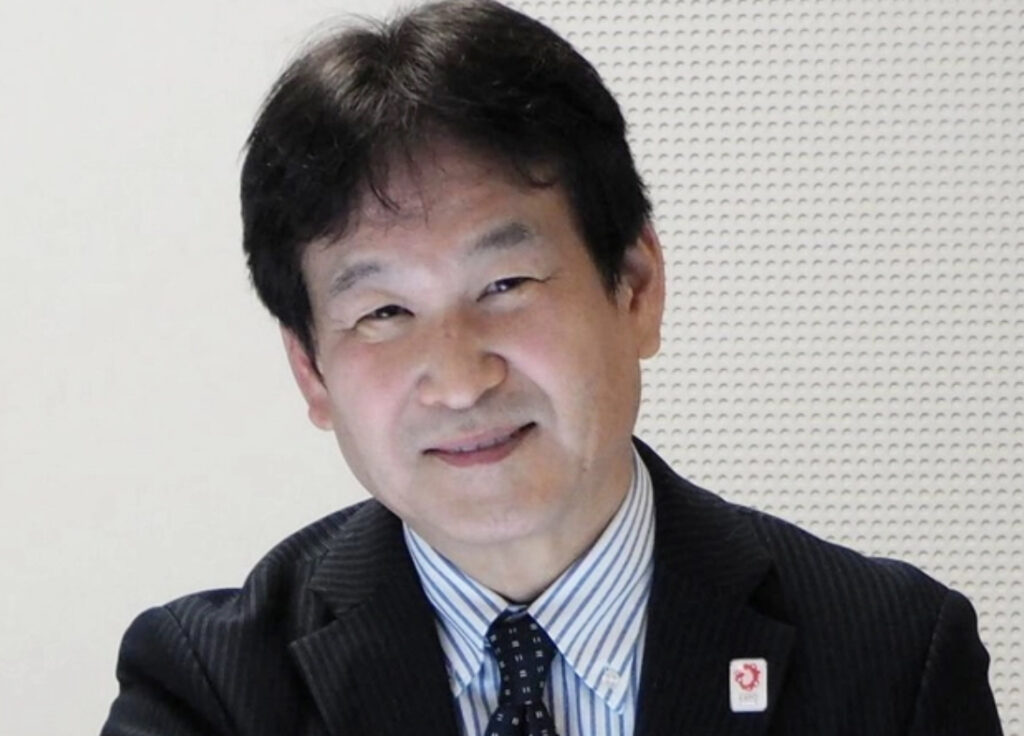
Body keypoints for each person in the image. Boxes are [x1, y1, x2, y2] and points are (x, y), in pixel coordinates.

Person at [101, 1, 1003, 734]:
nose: (459, 379)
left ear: (636, 288)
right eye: (384, 313)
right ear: (311, 371)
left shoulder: (891, 662)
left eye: (505, 284)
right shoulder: (211, 692)